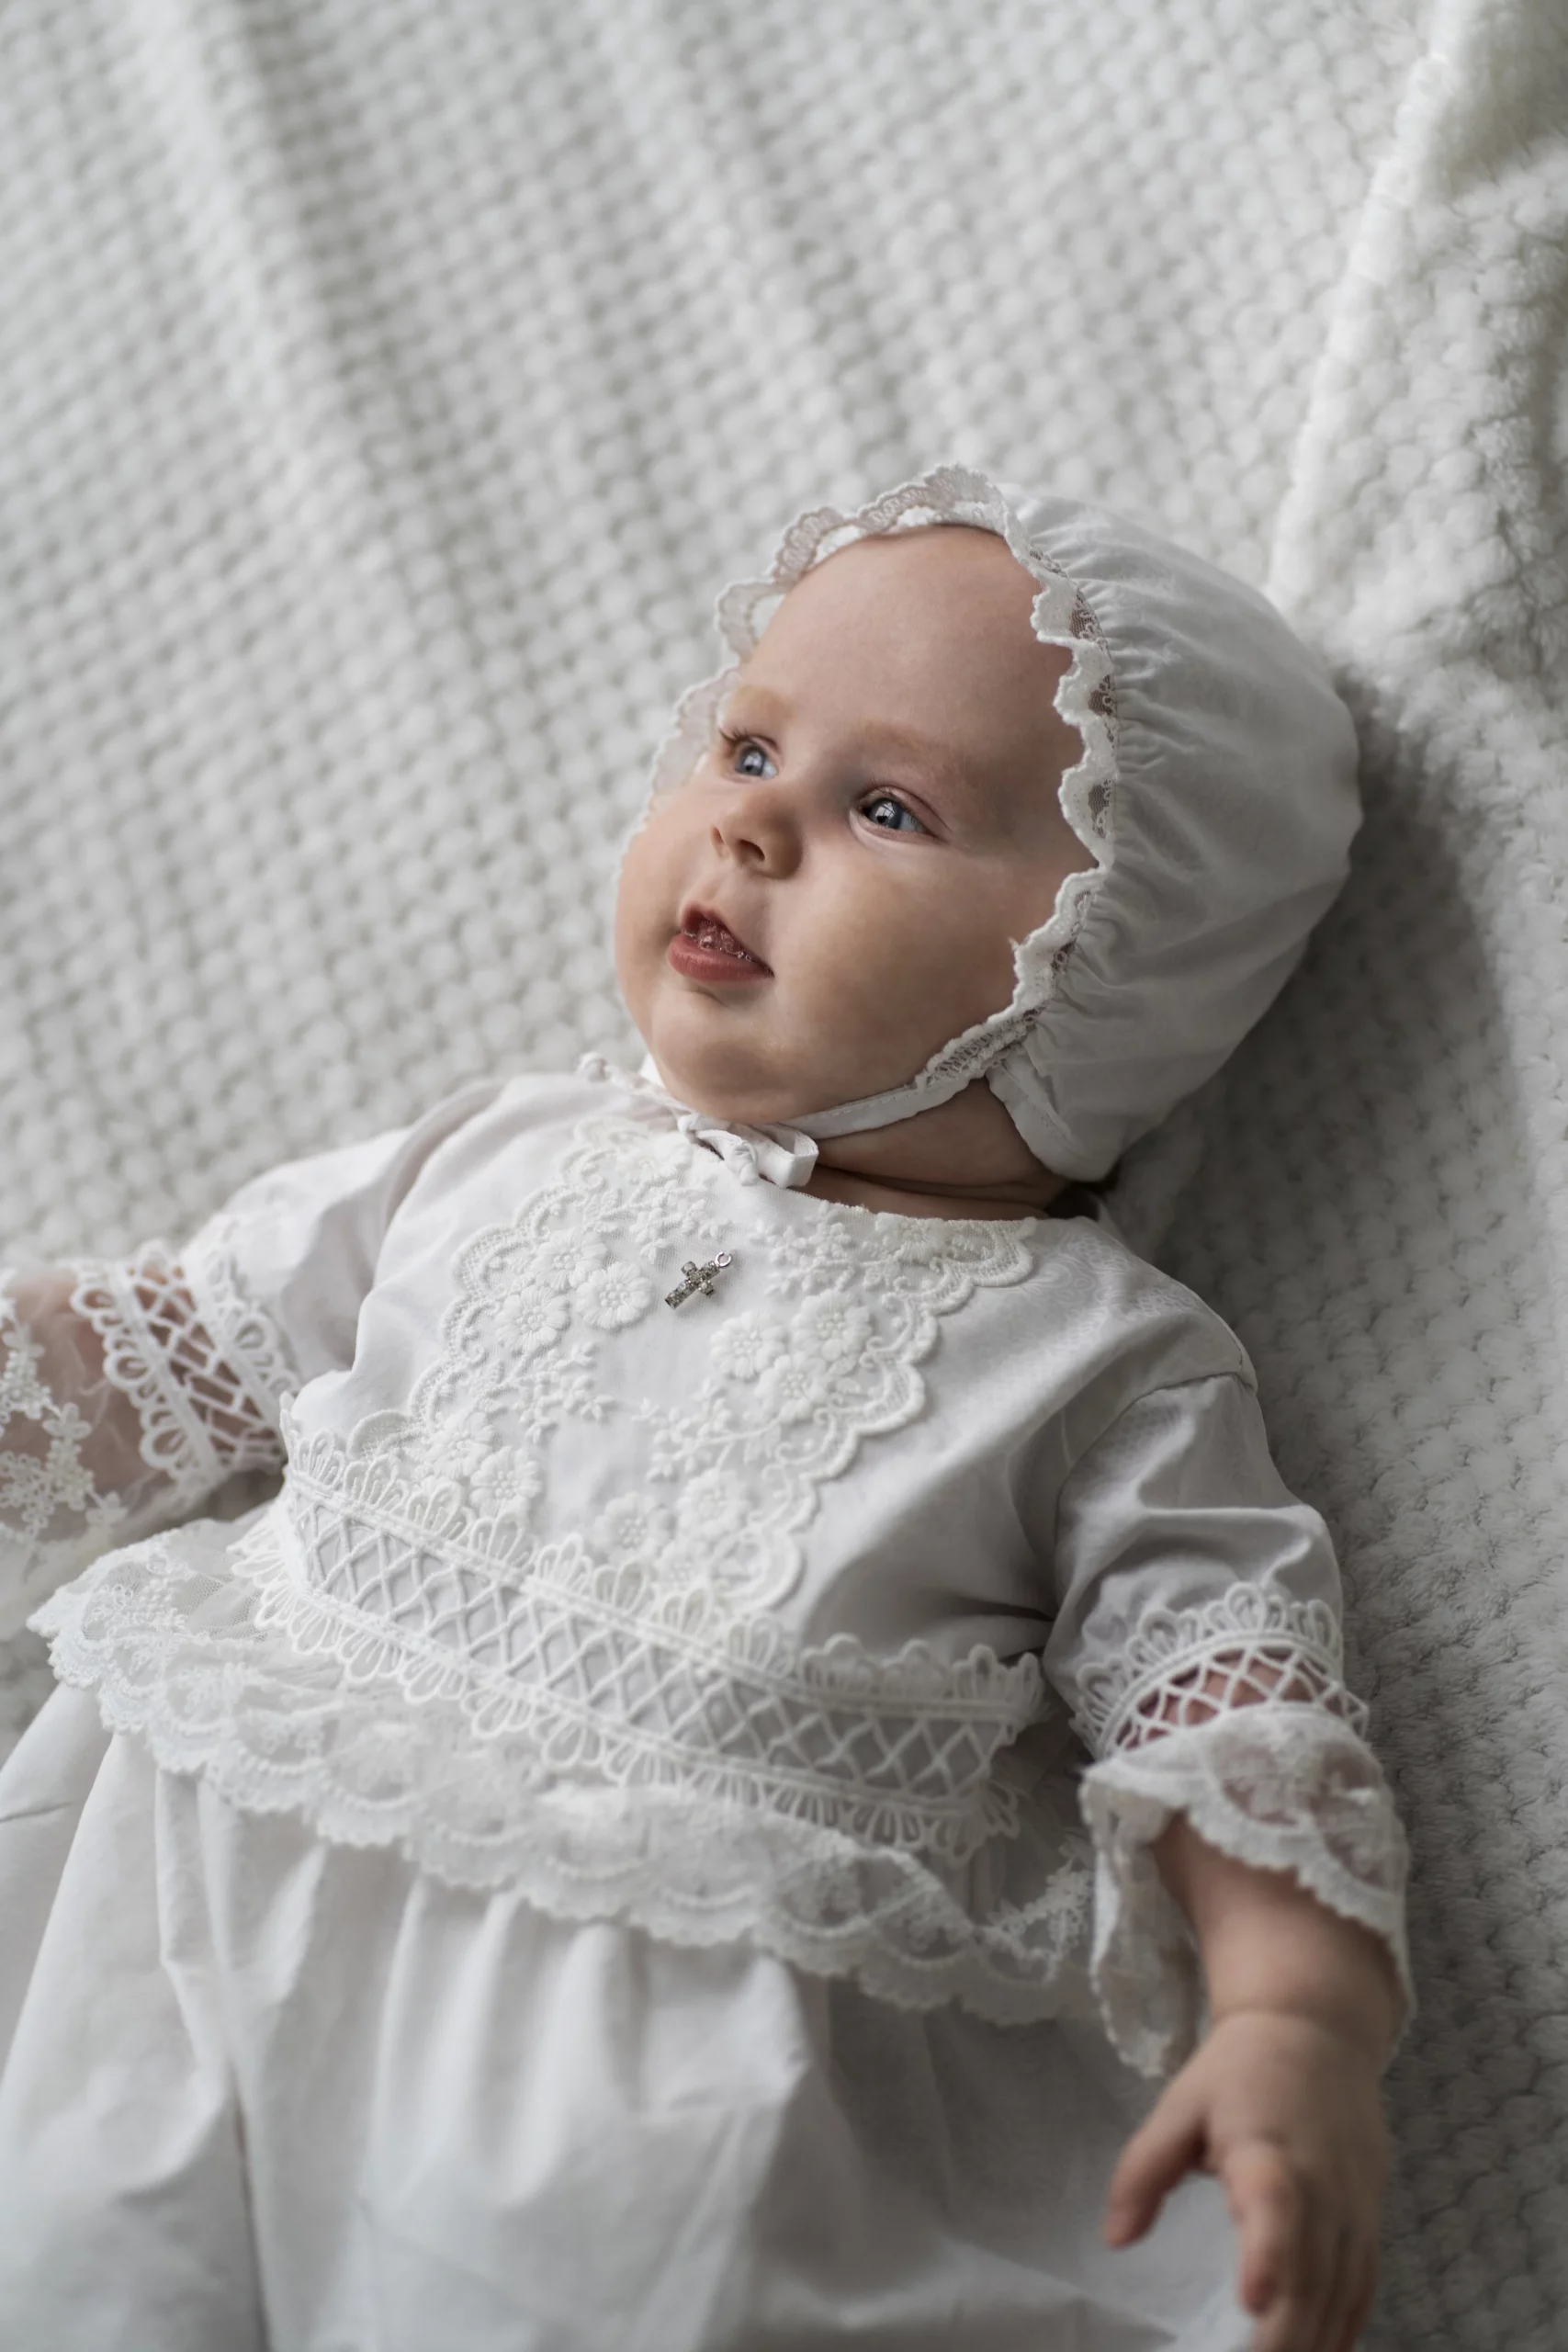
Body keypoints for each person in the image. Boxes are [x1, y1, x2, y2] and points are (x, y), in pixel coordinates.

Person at [0, 466, 1409, 2351]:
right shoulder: (500, 1156)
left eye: (884, 806)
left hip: (640, 2073)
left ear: (1108, 962)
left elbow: (1227, 1691)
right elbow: (168, 1343)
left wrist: (1289, 2015)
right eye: (746, 741)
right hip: (189, 1901)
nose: (748, 819)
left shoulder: (1098, 1362)